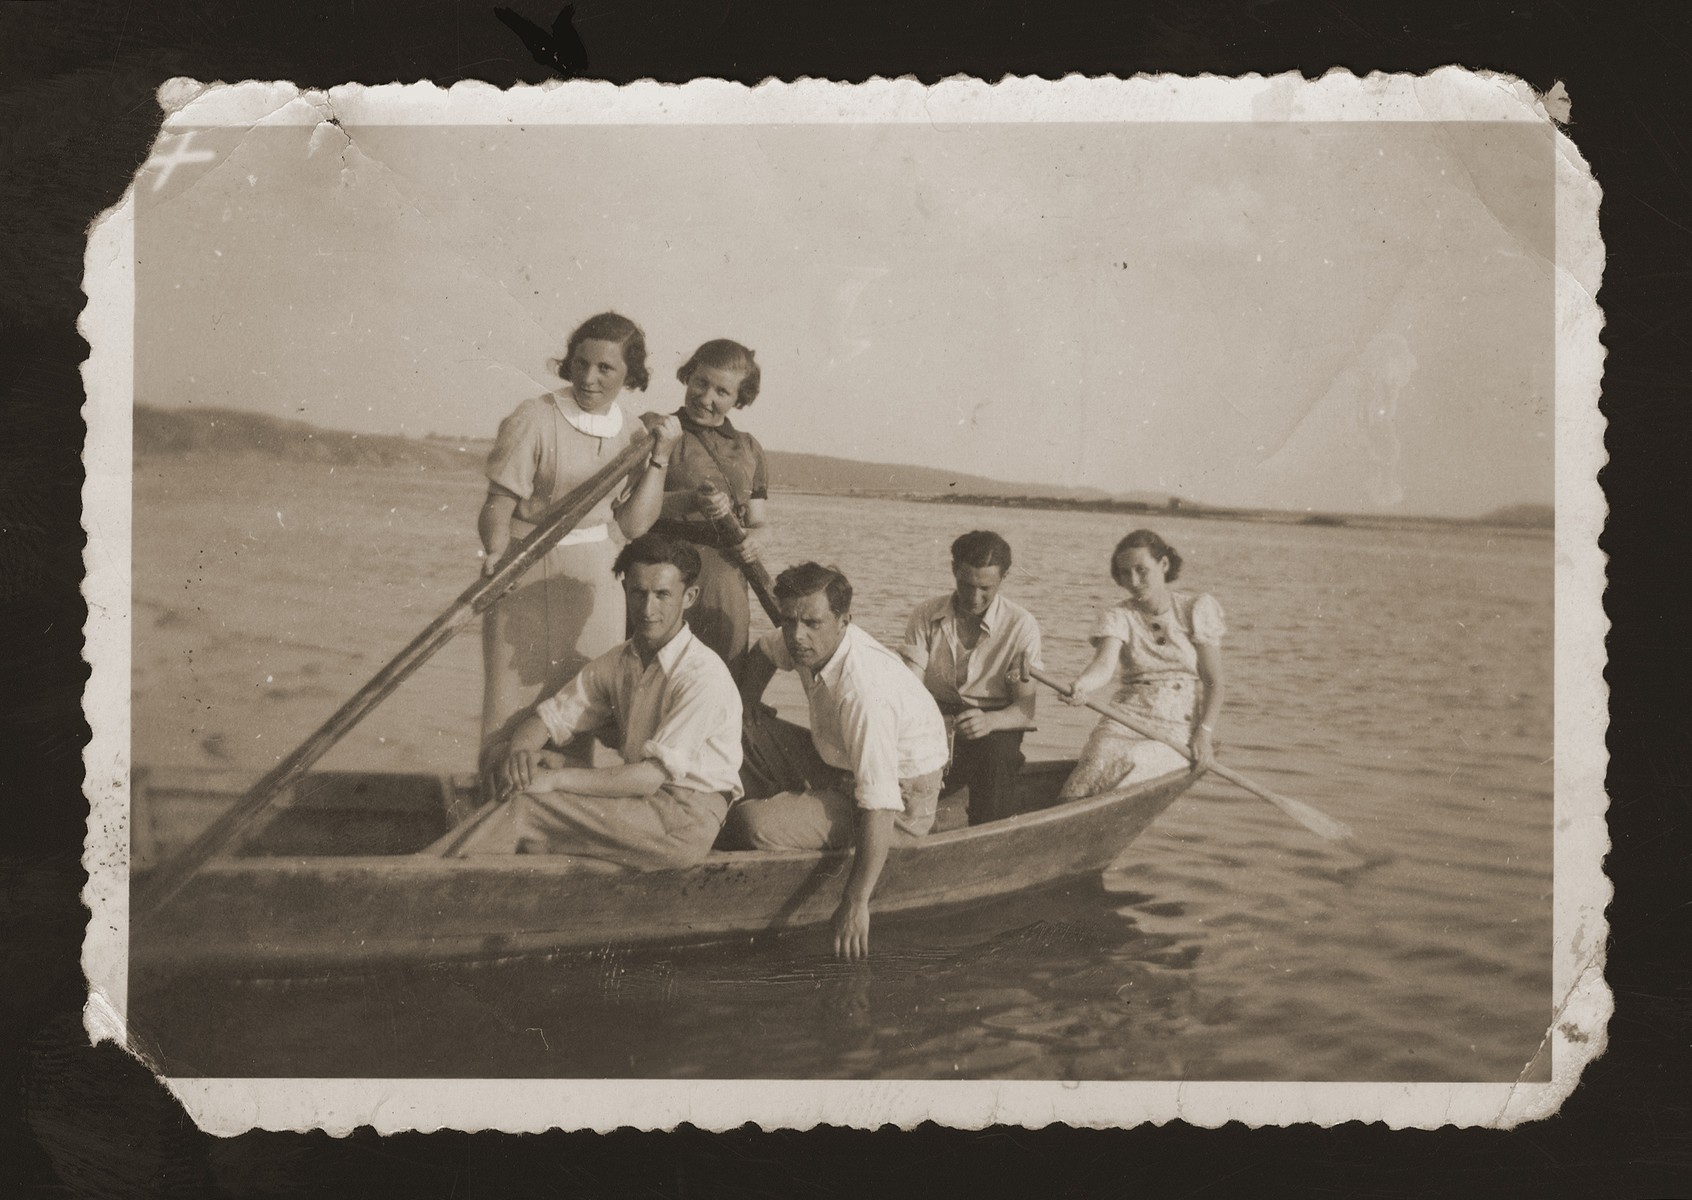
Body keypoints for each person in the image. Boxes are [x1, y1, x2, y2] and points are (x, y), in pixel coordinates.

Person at [437, 534, 743, 870]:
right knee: (530, 774)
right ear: (625, 590)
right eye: (638, 593)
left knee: (526, 807)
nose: (647, 609)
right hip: (643, 802)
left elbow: (647, 778)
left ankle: (420, 872)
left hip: (684, 820)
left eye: (662, 595)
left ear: (690, 597)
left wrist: (554, 780)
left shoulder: (702, 675)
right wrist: (521, 755)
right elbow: (547, 719)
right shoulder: (620, 661)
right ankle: (446, 871)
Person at [477, 311, 682, 762]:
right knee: (512, 710)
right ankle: (496, 817)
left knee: (583, 705)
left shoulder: (633, 433)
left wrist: (660, 459)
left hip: (597, 580)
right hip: (525, 569)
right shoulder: (535, 416)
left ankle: (562, 814)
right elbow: (498, 505)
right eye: (581, 363)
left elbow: (631, 526)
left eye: (605, 368)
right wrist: (495, 554)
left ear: (630, 375)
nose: (589, 378)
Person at [719, 562, 949, 959]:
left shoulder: (864, 692)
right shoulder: (806, 638)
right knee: (737, 727)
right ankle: (801, 813)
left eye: (812, 623)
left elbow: (879, 805)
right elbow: (763, 651)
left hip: (901, 802)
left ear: (844, 621)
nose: (796, 636)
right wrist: (748, 703)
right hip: (839, 766)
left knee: (749, 823)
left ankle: (785, 819)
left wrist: (856, 902)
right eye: (789, 620)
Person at [1057, 529, 1226, 799]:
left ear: (1164, 565)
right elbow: (1103, 667)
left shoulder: (1195, 609)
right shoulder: (1118, 616)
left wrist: (1204, 734)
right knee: (1093, 766)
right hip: (1125, 717)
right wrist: (1081, 685)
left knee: (1137, 759)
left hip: (1176, 725)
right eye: (1125, 573)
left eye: (1141, 570)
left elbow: (1214, 682)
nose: (1133, 581)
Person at [901, 530, 1043, 825]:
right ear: (954, 570)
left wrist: (990, 721)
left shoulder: (1021, 625)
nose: (974, 598)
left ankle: (989, 835)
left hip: (993, 724)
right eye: (966, 585)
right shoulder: (925, 615)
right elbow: (909, 691)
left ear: (1004, 577)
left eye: (986, 588)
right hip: (933, 718)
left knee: (997, 758)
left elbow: (1025, 710)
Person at [648, 339, 771, 676]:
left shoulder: (749, 448)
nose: (706, 398)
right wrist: (688, 500)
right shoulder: (656, 430)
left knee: (721, 673)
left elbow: (759, 521)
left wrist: (756, 538)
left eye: (722, 391)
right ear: (688, 376)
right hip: (662, 567)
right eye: (700, 382)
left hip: (725, 579)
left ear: (739, 398)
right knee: (654, 671)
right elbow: (627, 508)